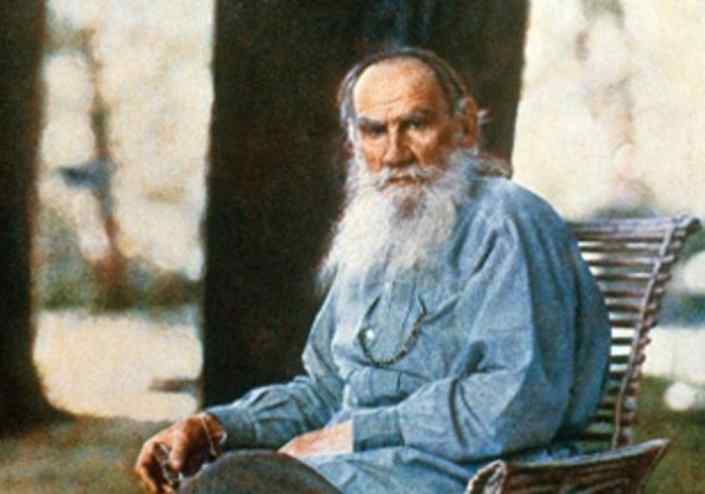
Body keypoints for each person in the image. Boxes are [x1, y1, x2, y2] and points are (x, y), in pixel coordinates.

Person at [135, 48, 611, 494]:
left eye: (415, 125)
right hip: (354, 473)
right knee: (225, 478)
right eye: (374, 131)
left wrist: (356, 434)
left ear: (465, 126)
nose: (395, 153)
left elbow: (517, 401)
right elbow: (326, 390)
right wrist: (217, 425)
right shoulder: (375, 233)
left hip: (464, 476)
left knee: (232, 485)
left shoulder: (507, 221)